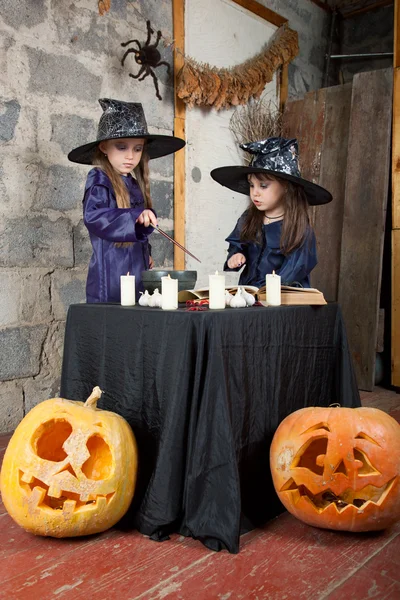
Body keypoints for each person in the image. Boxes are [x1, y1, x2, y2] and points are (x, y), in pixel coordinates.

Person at [68, 98, 185, 302]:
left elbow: (138, 231)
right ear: (104, 147)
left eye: (137, 149)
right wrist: (136, 215)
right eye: (122, 147)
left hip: (138, 275)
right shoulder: (99, 179)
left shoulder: (133, 183)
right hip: (110, 280)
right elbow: (95, 217)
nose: (130, 156)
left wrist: (145, 252)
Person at [210, 137, 332, 288]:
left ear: (286, 186)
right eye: (251, 185)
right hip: (250, 294)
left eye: (263, 186)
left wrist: (269, 290)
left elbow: (295, 269)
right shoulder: (249, 218)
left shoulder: (298, 228)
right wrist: (235, 255)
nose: (255, 193)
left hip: (283, 298)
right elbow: (238, 243)